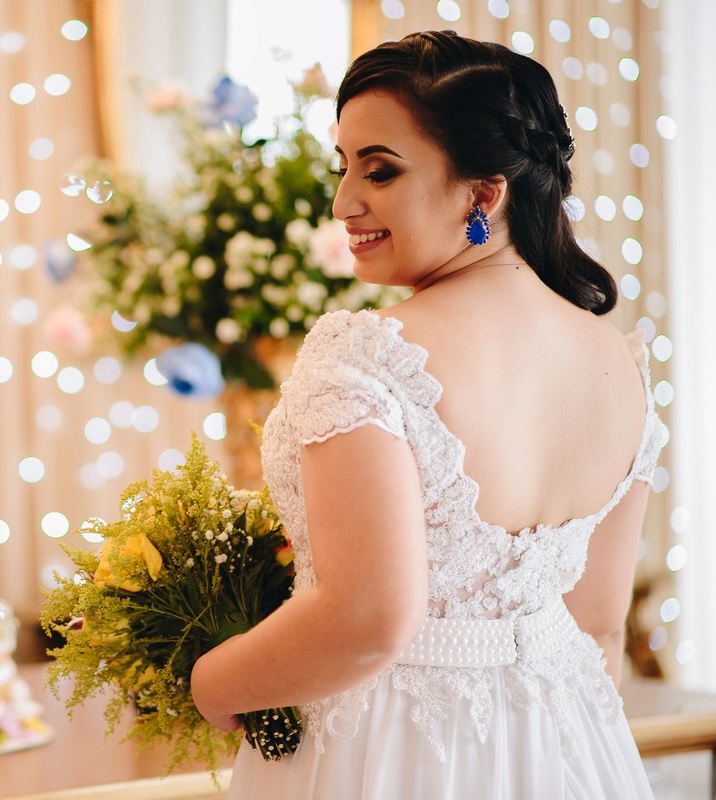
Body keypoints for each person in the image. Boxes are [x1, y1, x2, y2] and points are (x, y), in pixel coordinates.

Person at [190, 30, 667, 798]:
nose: (345, 202)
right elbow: (600, 624)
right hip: (568, 742)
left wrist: (213, 682)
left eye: (379, 171)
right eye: (341, 167)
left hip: (387, 752)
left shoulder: (364, 353)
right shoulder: (619, 363)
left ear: (484, 194)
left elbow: (369, 619)